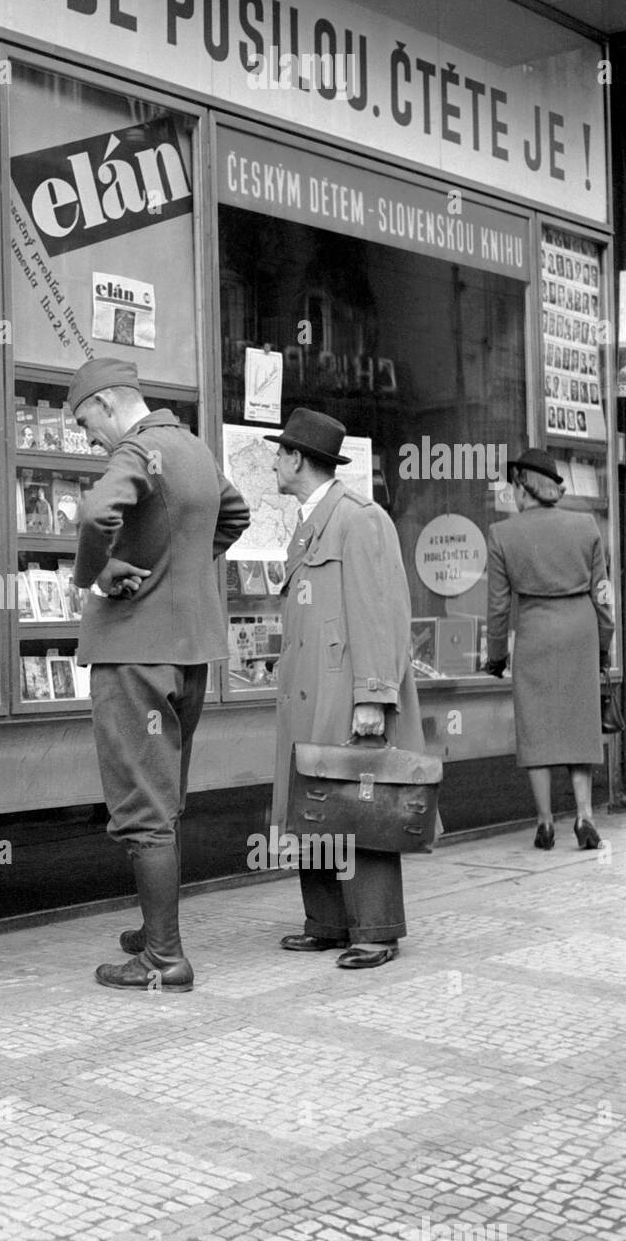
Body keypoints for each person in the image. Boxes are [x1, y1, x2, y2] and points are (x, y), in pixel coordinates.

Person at [69, 357, 250, 992]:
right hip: (190, 653)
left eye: (85, 419)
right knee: (166, 797)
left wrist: (95, 572)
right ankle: (155, 931)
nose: (88, 437)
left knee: (142, 807)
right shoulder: (192, 447)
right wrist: (183, 574)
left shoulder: (138, 450)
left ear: (107, 402)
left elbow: (96, 515)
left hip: (136, 653)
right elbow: (236, 515)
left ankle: (163, 958)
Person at [268, 407, 425, 969]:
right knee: (314, 803)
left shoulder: (360, 518)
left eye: (279, 452)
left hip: (345, 694)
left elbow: (381, 613)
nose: (273, 462)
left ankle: (377, 930)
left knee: (363, 806)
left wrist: (373, 696)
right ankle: (328, 922)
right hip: (311, 692)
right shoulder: (316, 519)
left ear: (298, 460)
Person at [485, 447, 614, 849]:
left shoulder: (502, 534)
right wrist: (604, 644)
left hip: (535, 632)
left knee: (536, 729)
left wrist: (496, 656)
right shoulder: (586, 527)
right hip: (580, 630)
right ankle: (584, 816)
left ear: (524, 488)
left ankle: (544, 823)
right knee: (578, 725)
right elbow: (603, 596)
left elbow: (498, 605)